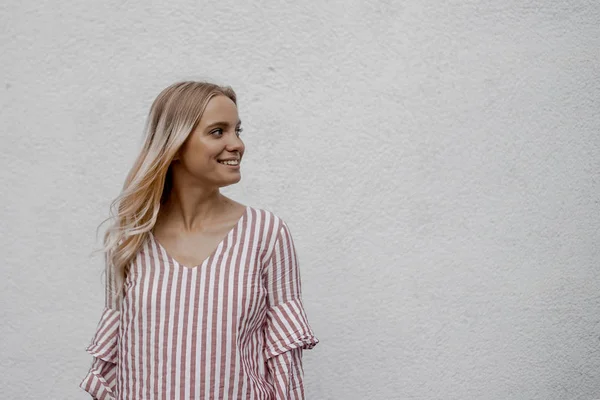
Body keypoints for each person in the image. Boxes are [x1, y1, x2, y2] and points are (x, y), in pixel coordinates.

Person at [79, 81, 319, 400]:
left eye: (237, 130)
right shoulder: (130, 238)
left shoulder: (266, 233)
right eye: (218, 131)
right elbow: (114, 367)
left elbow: (284, 366)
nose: (237, 144)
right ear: (175, 145)